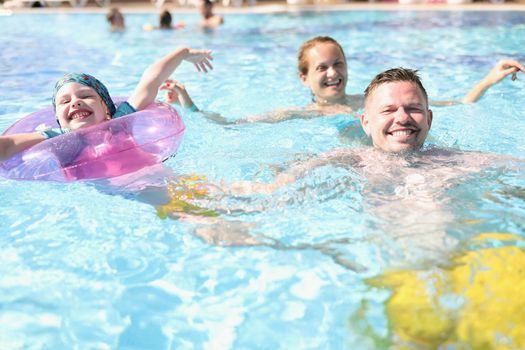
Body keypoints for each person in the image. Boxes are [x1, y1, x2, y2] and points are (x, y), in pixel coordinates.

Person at [165, 36, 524, 125]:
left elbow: (456, 105)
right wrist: (192, 107)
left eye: (338, 63)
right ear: (304, 77)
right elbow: (234, 125)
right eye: (321, 68)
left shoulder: (371, 103)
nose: (333, 72)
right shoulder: (299, 114)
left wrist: (488, 80)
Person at [0, 47, 213, 162]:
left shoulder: (121, 120)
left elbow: (151, 79)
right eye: (65, 101)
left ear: (106, 108)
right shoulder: (60, 140)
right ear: (58, 119)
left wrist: (183, 53)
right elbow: (8, 145)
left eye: (85, 96)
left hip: (159, 181)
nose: (75, 102)